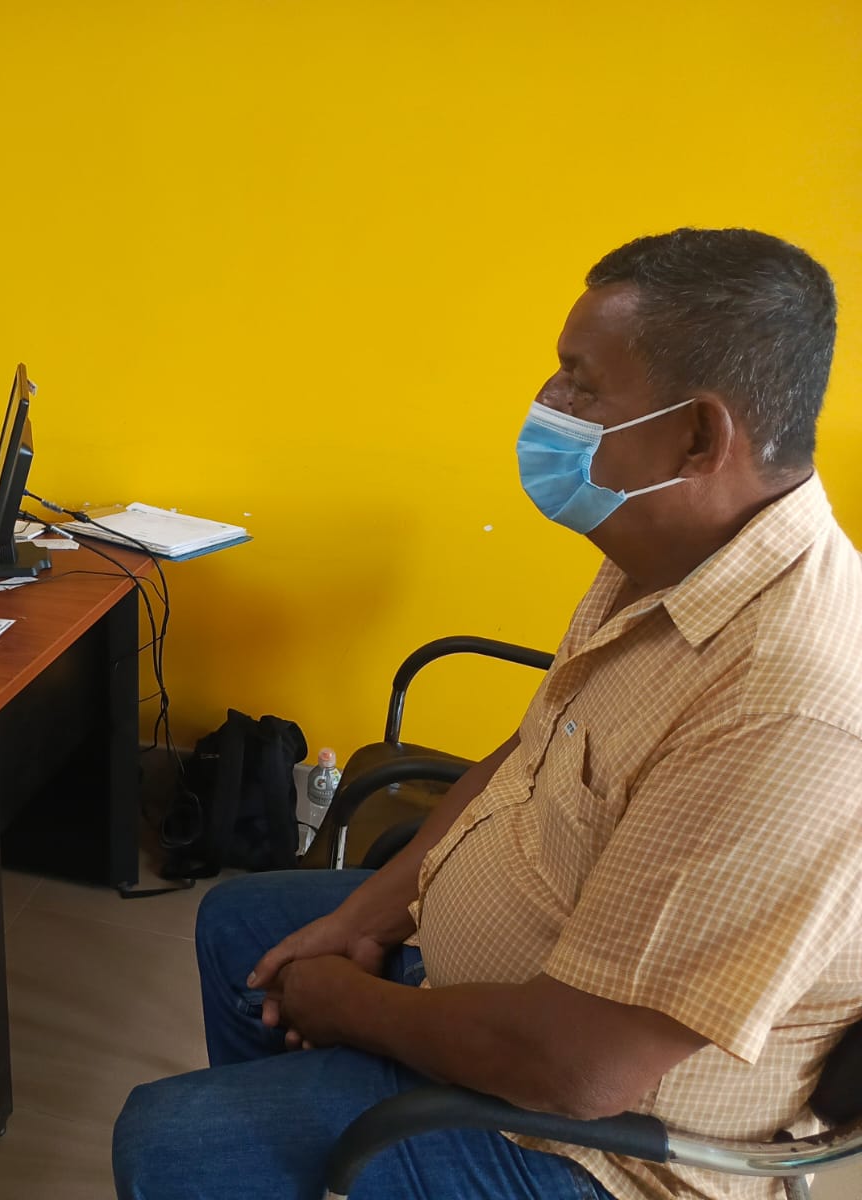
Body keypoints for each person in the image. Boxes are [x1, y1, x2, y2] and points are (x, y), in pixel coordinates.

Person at [113, 228, 862, 1200]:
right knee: (237, 927)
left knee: (169, 1143)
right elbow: (531, 750)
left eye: (581, 386)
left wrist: (349, 1006)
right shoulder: (667, 554)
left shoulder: (791, 709)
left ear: (696, 438)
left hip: (593, 1145)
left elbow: (579, 1070)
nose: (547, 406)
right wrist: (371, 912)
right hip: (510, 991)